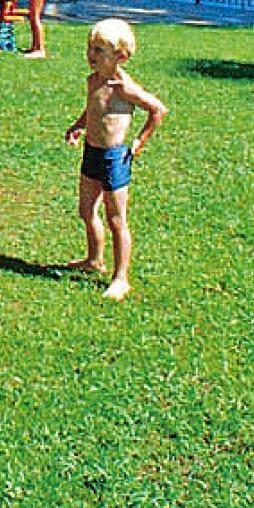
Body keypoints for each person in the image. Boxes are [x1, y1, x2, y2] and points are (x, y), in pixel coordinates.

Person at [62, 19, 168, 301]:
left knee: (116, 219)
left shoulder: (124, 87)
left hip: (114, 157)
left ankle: (121, 278)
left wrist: (139, 142)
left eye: (98, 50)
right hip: (92, 151)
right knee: (86, 210)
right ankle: (94, 259)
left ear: (120, 56)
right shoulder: (93, 80)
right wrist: (79, 126)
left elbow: (158, 110)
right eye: (89, 48)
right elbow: (93, 108)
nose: (90, 55)